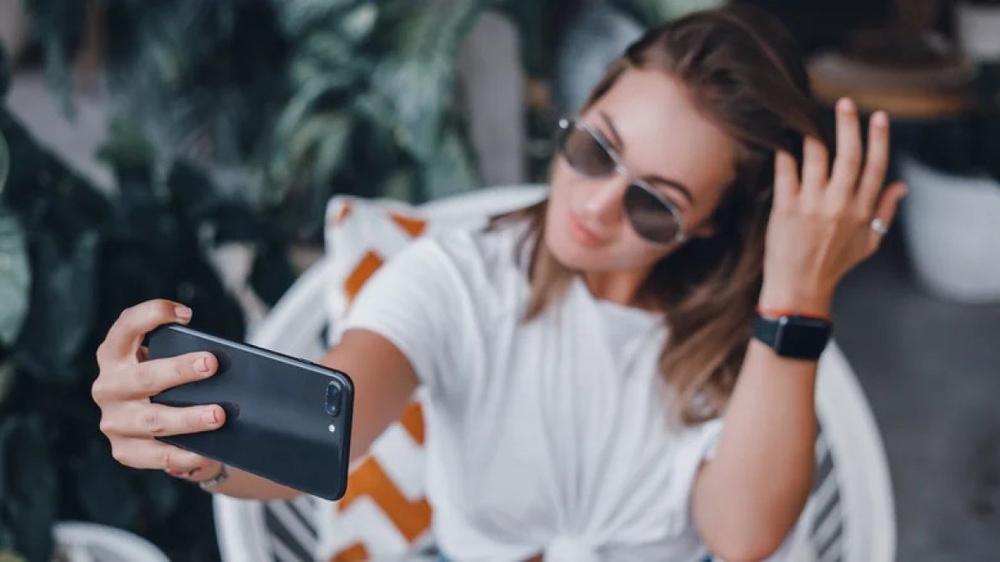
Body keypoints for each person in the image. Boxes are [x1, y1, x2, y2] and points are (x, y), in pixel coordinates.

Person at [91, 6, 905, 561]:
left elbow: (742, 535)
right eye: (594, 148)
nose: (594, 205)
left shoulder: (738, 334)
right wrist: (189, 440)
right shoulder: (457, 278)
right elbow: (319, 430)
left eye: (655, 205)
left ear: (711, 226)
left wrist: (796, 300)